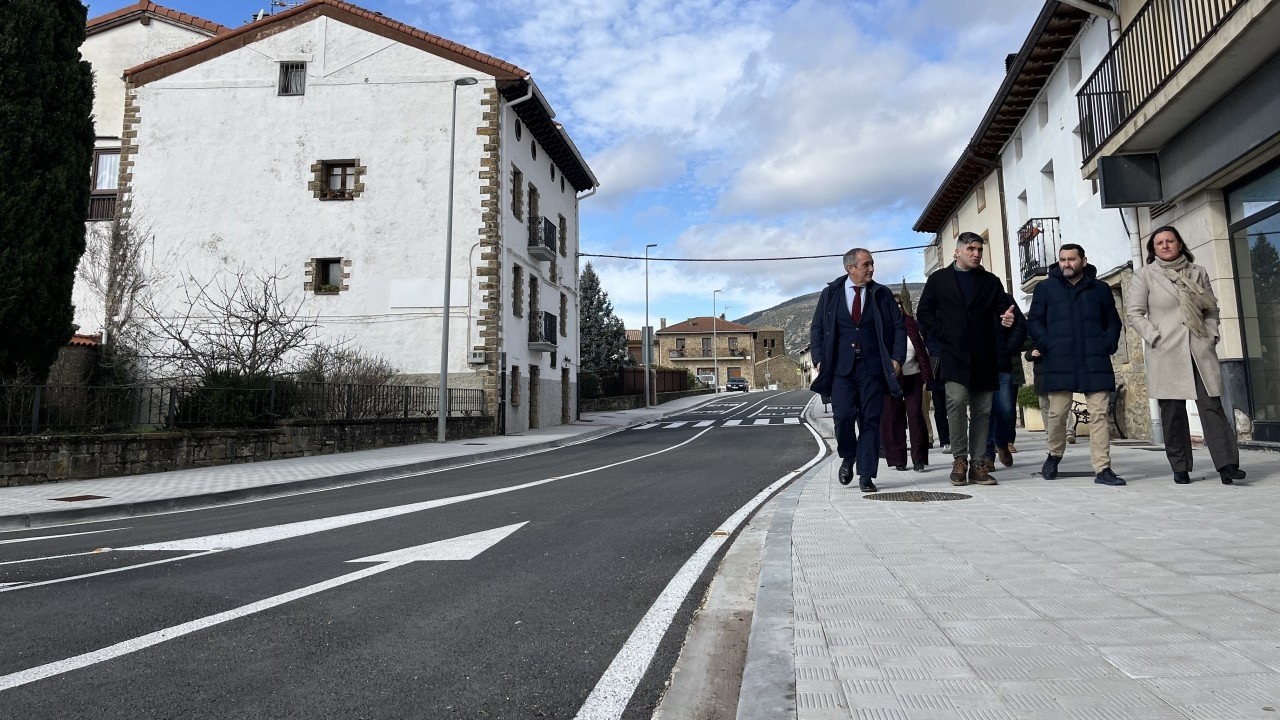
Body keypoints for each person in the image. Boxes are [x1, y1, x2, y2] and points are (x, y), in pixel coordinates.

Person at [1127, 225, 1246, 485]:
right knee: (1173, 412)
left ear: (1180, 244)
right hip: (1166, 350)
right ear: (1153, 249)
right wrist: (1155, 337)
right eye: (1159, 243)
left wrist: (1211, 334)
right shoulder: (1145, 275)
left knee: (1212, 406)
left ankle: (1228, 465)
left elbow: (1211, 308)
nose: (1165, 245)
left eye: (1170, 241)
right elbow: (1134, 313)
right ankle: (1180, 466)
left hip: (1199, 348)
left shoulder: (1197, 272)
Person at [917, 232, 1016, 487]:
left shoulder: (990, 281)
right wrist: (943, 333)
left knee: (983, 410)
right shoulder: (939, 280)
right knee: (957, 401)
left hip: (984, 355)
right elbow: (924, 313)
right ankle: (959, 460)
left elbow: (1002, 311)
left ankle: (978, 464)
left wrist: (1006, 319)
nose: (976, 254)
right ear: (957, 251)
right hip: (954, 354)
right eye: (971, 248)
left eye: (979, 249)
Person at [1026, 243, 1126, 486]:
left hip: (1095, 359)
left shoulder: (1100, 289)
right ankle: (1054, 455)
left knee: (1099, 414)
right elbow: (1035, 321)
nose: (1066, 264)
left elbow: (1113, 321)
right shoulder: (1045, 288)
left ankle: (1103, 468)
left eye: (1071, 259)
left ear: (1083, 260)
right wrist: (1047, 343)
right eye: (1062, 259)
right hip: (1059, 360)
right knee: (1057, 414)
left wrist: (1108, 344)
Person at [810, 248, 906, 493]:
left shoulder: (882, 294)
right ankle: (848, 455)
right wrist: (818, 359)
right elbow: (817, 328)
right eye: (866, 264)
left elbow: (899, 327)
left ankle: (866, 474)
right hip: (840, 369)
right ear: (850, 268)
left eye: (872, 264)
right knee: (843, 417)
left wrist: (897, 358)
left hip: (872, 368)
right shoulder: (831, 293)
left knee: (870, 421)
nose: (872, 269)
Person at [881, 293, 931, 472]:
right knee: (893, 417)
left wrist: (926, 373)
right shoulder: (883, 327)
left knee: (915, 415)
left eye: (899, 303)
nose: (898, 307)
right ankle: (898, 459)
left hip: (913, 375)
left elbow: (921, 349)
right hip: (892, 378)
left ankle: (919, 458)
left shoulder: (911, 324)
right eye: (894, 304)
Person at [981, 292, 1027, 472]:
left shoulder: (1003, 298)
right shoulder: (968, 298)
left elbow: (1020, 325)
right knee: (984, 411)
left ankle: (1001, 442)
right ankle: (987, 455)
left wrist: (1006, 349)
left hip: (1003, 364)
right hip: (980, 365)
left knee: (1006, 409)